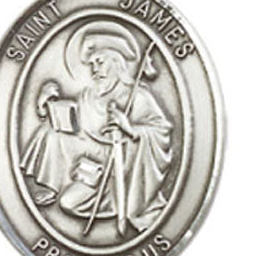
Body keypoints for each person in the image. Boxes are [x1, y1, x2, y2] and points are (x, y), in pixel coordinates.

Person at [20, 21, 172, 233]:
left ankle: (117, 202)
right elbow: (75, 126)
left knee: (68, 203)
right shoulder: (88, 96)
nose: (94, 69)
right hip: (90, 167)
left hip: (121, 167)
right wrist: (46, 107)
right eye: (92, 64)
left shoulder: (137, 96)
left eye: (100, 62)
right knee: (50, 132)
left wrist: (130, 128)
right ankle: (51, 185)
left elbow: (161, 131)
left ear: (116, 62)